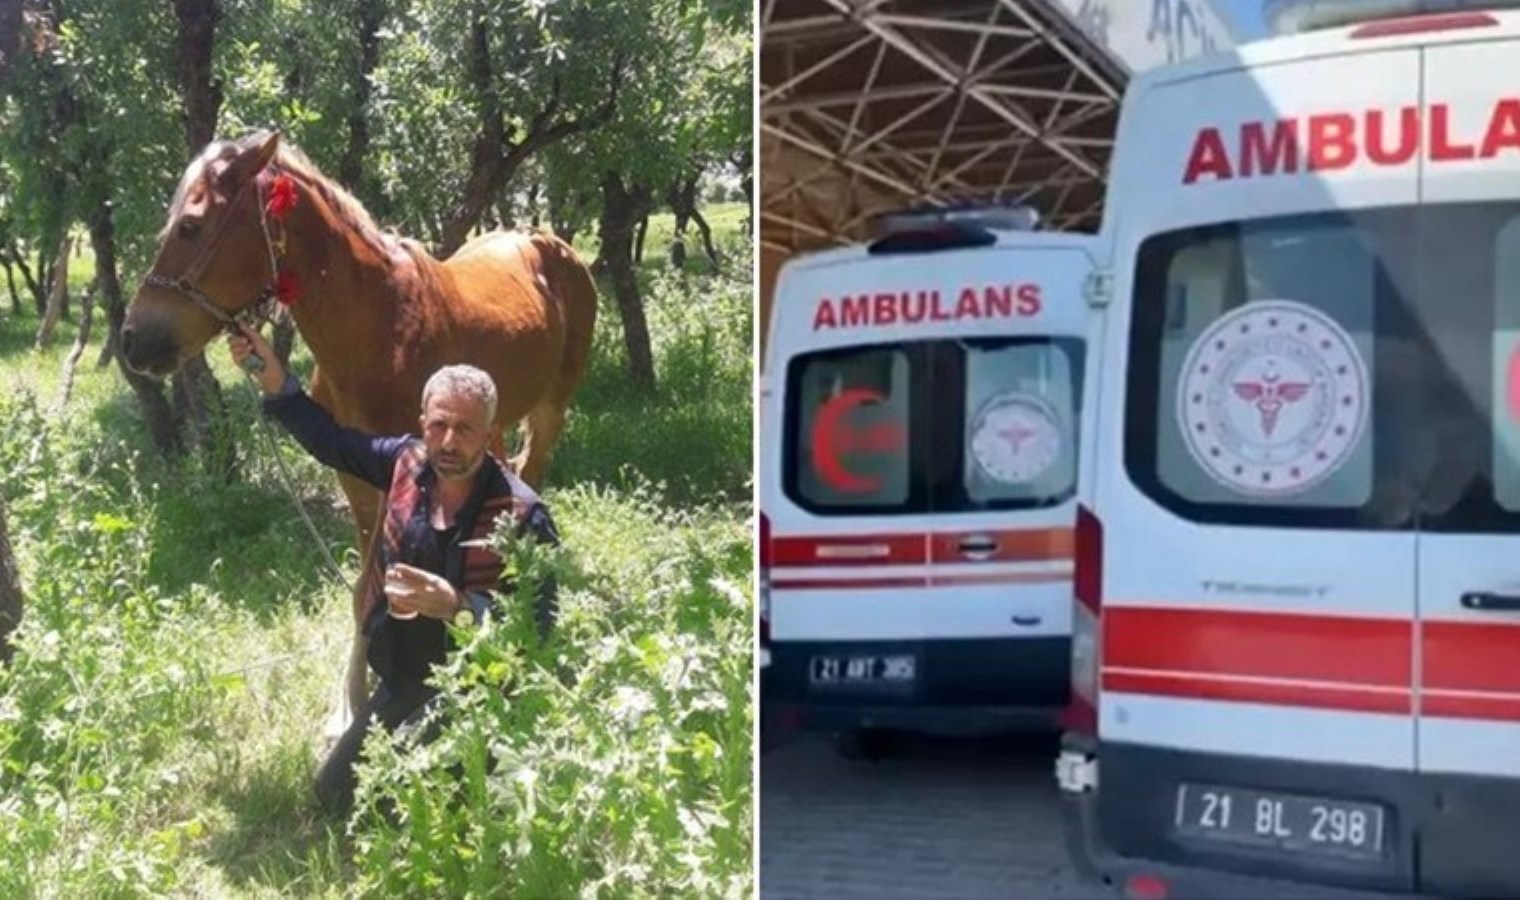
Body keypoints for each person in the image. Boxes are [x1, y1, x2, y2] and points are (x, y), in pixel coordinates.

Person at [227, 324, 560, 815]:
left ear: (491, 435)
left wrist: (460, 608)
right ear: (422, 421)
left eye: (465, 429)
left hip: (476, 693)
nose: (448, 441)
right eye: (438, 425)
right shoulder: (405, 461)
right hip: (404, 682)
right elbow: (330, 440)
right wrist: (273, 378)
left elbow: (539, 628)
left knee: (419, 807)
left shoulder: (522, 513)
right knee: (335, 797)